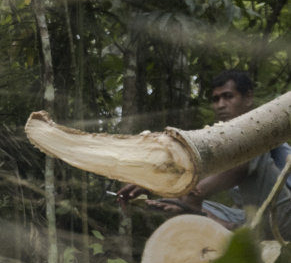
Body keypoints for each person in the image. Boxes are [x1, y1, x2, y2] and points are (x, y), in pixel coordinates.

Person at [118, 69, 291, 236]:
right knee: (175, 203)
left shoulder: (261, 129)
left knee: (249, 147)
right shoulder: (221, 139)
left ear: (248, 98)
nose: (221, 105)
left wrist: (194, 193)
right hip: (252, 219)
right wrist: (154, 185)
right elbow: (192, 166)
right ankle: (227, 227)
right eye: (216, 99)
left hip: (285, 215)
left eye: (228, 96)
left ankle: (198, 206)